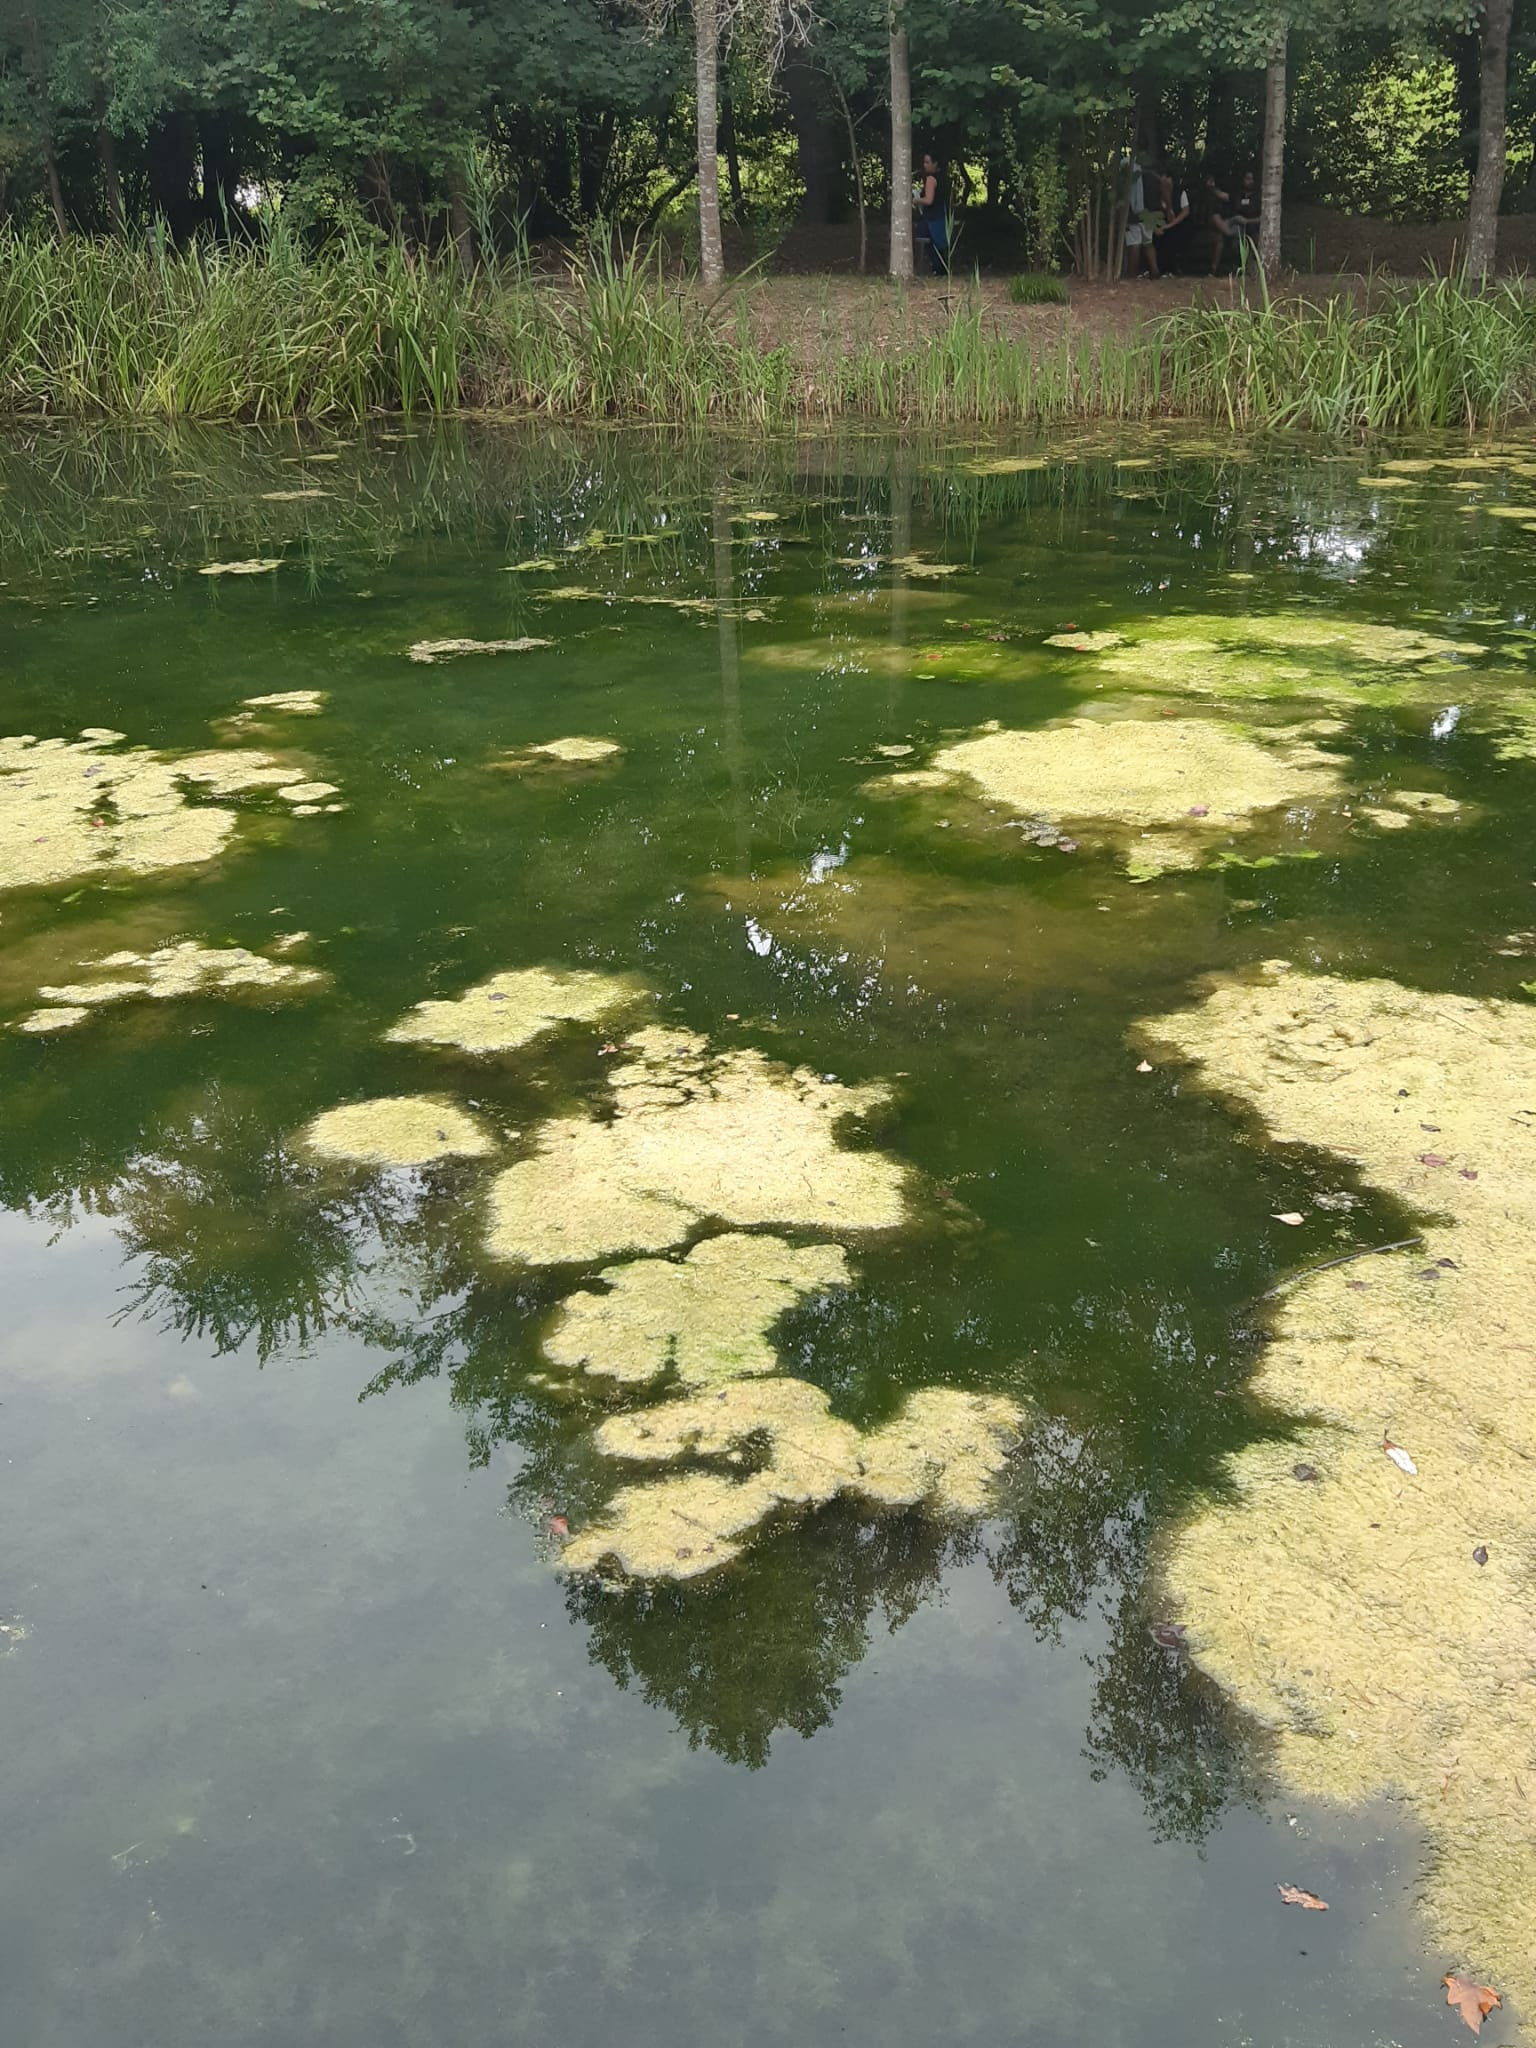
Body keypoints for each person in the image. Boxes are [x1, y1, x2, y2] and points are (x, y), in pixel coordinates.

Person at [1123, 159, 1159, 280]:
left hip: (1135, 213)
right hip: (1149, 212)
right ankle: (1155, 271)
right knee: (1148, 242)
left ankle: (1132, 274)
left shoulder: (1128, 169)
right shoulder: (1150, 172)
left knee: (1134, 243)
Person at [1151, 171, 1192, 272]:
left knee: (1177, 236)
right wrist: (1154, 226)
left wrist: (1169, 226)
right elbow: (1150, 211)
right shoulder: (1154, 195)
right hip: (1159, 225)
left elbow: (1185, 212)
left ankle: (1175, 268)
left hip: (1177, 226)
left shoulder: (1180, 193)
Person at [916, 151, 950, 275]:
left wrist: (915, 199)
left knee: (928, 242)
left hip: (931, 217)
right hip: (941, 214)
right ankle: (941, 268)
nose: (925, 165)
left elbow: (929, 200)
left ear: (935, 163)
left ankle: (937, 268)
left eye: (927, 162)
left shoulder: (931, 179)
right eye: (924, 162)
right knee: (939, 244)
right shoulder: (944, 178)